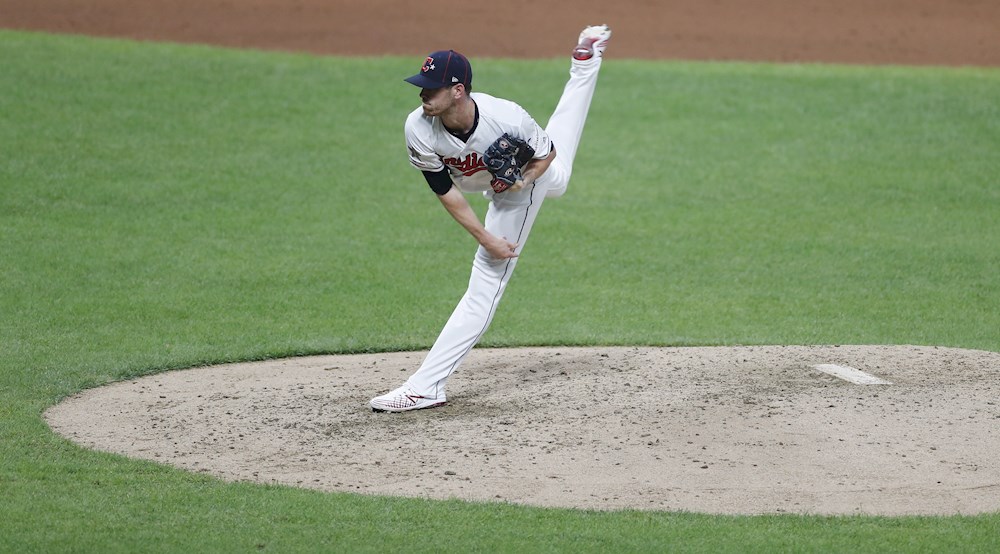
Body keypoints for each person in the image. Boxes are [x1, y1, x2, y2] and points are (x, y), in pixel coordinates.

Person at [370, 24, 612, 412]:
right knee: (561, 179)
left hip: (520, 185)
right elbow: (445, 191)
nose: (422, 94)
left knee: (486, 280)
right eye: (422, 86)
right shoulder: (418, 127)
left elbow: (544, 154)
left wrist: (522, 181)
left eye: (431, 88)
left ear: (458, 90)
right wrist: (486, 237)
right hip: (486, 183)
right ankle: (584, 65)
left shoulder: (507, 117)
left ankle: (426, 386)